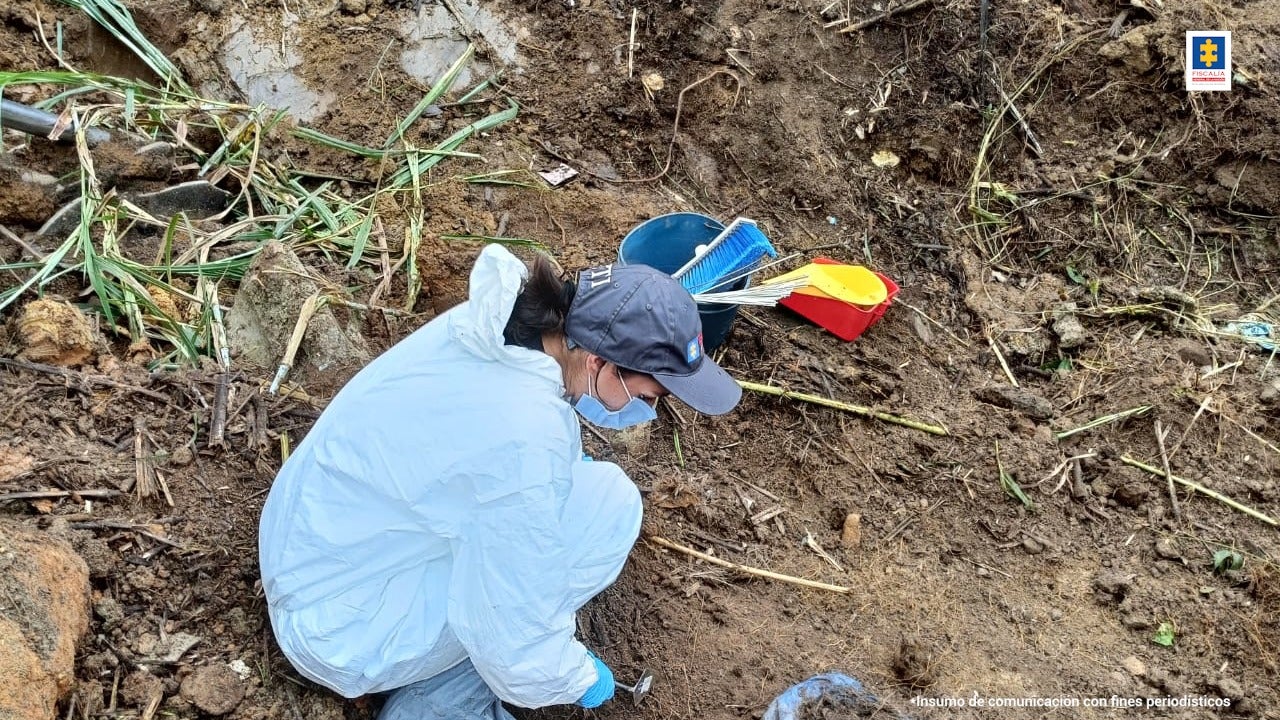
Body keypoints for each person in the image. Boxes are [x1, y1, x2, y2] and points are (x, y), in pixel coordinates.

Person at [258, 244, 742, 719]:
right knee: (606, 514)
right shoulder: (524, 437)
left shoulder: (491, 327)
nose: (648, 410)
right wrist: (575, 677)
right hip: (343, 634)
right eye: (648, 393)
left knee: (596, 498)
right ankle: (443, 700)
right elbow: (515, 637)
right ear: (599, 363)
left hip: (311, 549)